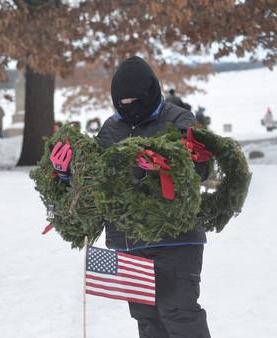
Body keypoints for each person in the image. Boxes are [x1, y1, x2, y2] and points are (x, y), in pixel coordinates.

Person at [53, 56, 211, 338]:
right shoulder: (111, 129)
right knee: (147, 318)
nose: (129, 108)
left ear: (151, 92)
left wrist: (164, 166)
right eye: (122, 102)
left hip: (175, 238)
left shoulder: (178, 120)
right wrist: (67, 174)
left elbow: (200, 168)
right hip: (127, 240)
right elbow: (96, 181)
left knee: (178, 311)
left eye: (135, 101)